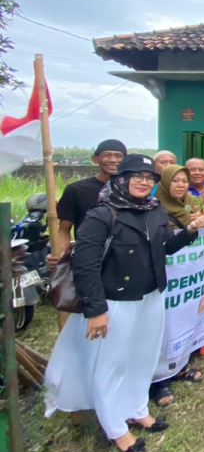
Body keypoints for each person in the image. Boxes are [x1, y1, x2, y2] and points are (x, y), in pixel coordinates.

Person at [44, 154, 204, 452]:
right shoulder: (102, 215)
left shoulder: (154, 210)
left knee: (143, 356)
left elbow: (165, 248)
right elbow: (85, 266)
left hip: (151, 296)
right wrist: (96, 310)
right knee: (112, 363)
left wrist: (190, 230)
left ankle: (136, 408)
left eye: (149, 177)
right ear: (121, 179)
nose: (144, 182)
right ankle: (115, 428)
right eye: (137, 176)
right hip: (115, 301)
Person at [50, 139, 127, 329]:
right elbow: (64, 229)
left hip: (122, 261)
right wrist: (62, 256)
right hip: (89, 260)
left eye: (118, 156)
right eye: (107, 155)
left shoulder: (132, 191)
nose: (113, 160)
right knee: (85, 315)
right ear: (95, 159)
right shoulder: (76, 190)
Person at [151, 165, 204, 407]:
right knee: (162, 324)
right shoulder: (153, 208)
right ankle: (157, 380)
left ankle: (179, 365)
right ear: (164, 183)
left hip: (189, 274)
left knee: (183, 317)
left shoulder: (192, 202)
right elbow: (165, 244)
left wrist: (202, 221)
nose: (181, 185)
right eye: (175, 181)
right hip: (163, 276)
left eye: (184, 181)